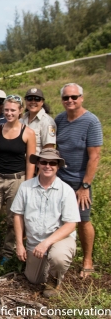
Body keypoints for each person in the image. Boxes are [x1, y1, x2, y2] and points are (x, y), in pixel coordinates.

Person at [12, 149, 80, 297]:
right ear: (37, 164)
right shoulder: (26, 187)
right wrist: (19, 244)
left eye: (52, 163)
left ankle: (55, 279)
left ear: (58, 166)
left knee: (58, 257)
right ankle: (48, 265)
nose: (47, 166)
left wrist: (46, 243)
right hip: (35, 242)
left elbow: (70, 224)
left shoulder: (66, 191)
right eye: (43, 162)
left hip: (59, 239)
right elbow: (18, 215)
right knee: (34, 279)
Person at [55, 83, 102, 279]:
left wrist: (85, 186)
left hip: (79, 181)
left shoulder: (91, 121)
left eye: (74, 97)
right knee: (57, 219)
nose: (70, 101)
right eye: (66, 98)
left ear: (82, 97)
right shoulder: (59, 120)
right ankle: (60, 257)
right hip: (59, 179)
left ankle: (87, 260)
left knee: (83, 220)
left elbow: (95, 156)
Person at [0, 95, 36, 264]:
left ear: (20, 111)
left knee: (13, 219)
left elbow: (30, 161)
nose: (9, 113)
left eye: (13, 110)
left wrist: (28, 184)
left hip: (17, 179)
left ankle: (8, 253)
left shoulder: (28, 132)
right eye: (6, 109)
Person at [21, 88, 56, 154]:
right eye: (29, 99)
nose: (33, 102)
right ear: (25, 101)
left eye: (37, 99)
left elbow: (49, 149)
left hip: (37, 162)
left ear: (42, 102)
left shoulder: (48, 122)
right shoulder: (21, 120)